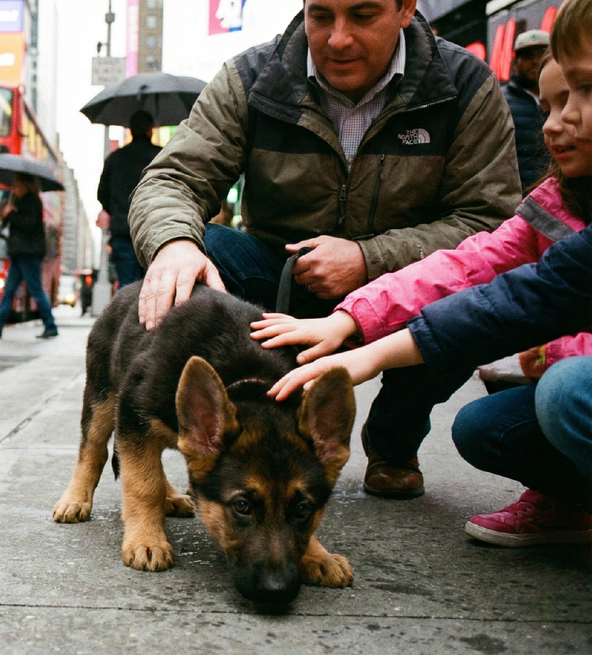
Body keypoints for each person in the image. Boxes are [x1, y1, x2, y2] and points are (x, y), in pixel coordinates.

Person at [268, 0, 592, 546]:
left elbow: (511, 298)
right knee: (483, 427)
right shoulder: (554, 202)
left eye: (583, 91)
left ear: (404, 11)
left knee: (566, 391)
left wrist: (366, 345)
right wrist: (349, 321)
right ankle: (572, 500)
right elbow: (467, 266)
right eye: (550, 102)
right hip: (379, 294)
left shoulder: (464, 80)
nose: (557, 123)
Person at [129, 0, 521, 331]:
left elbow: (488, 223)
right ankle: (246, 405)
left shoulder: (465, 84)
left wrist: (368, 259)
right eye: (320, 16)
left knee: (468, 293)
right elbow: (172, 178)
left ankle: (395, 423)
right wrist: (174, 244)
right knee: (201, 253)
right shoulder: (250, 78)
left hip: (408, 286)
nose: (338, 39)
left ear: (406, 8)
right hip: (282, 279)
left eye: (363, 16)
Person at [0, 173, 58, 339]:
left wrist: (13, 214)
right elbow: (4, 226)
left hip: (28, 253)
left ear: (25, 186)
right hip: (18, 252)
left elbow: (28, 225)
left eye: (17, 186)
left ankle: (50, 325)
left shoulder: (32, 202)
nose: (14, 189)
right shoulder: (17, 202)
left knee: (35, 289)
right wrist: (6, 214)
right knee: (8, 291)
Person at [97, 110, 163, 287]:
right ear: (151, 129)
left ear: (131, 130)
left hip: (123, 230)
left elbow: (102, 194)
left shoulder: (115, 158)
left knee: (127, 287)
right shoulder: (161, 156)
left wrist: (117, 211)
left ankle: (128, 315)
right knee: (155, 286)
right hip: (154, 229)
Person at [504, 30, 551, 190]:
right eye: (528, 56)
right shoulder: (500, 101)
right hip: (520, 200)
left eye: (542, 54)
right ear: (515, 63)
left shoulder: (567, 96)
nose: (536, 61)